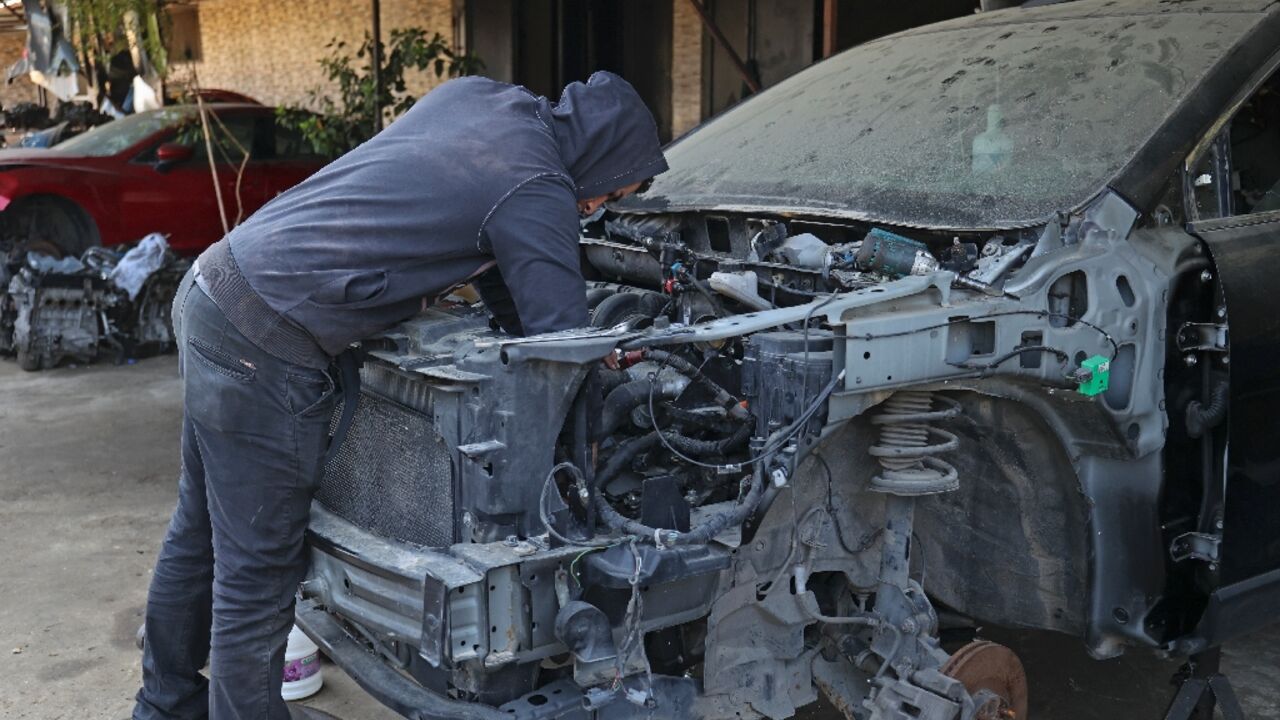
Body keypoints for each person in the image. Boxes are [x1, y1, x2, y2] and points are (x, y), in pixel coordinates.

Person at [133, 71, 667, 720]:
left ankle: (164, 705)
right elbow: (558, 343)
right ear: (606, 158)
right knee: (259, 570)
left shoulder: (485, 101)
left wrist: (565, 332)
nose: (596, 209)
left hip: (217, 289)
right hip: (265, 344)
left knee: (200, 529)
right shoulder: (539, 184)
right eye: (611, 193)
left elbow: (502, 265)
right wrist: (600, 358)